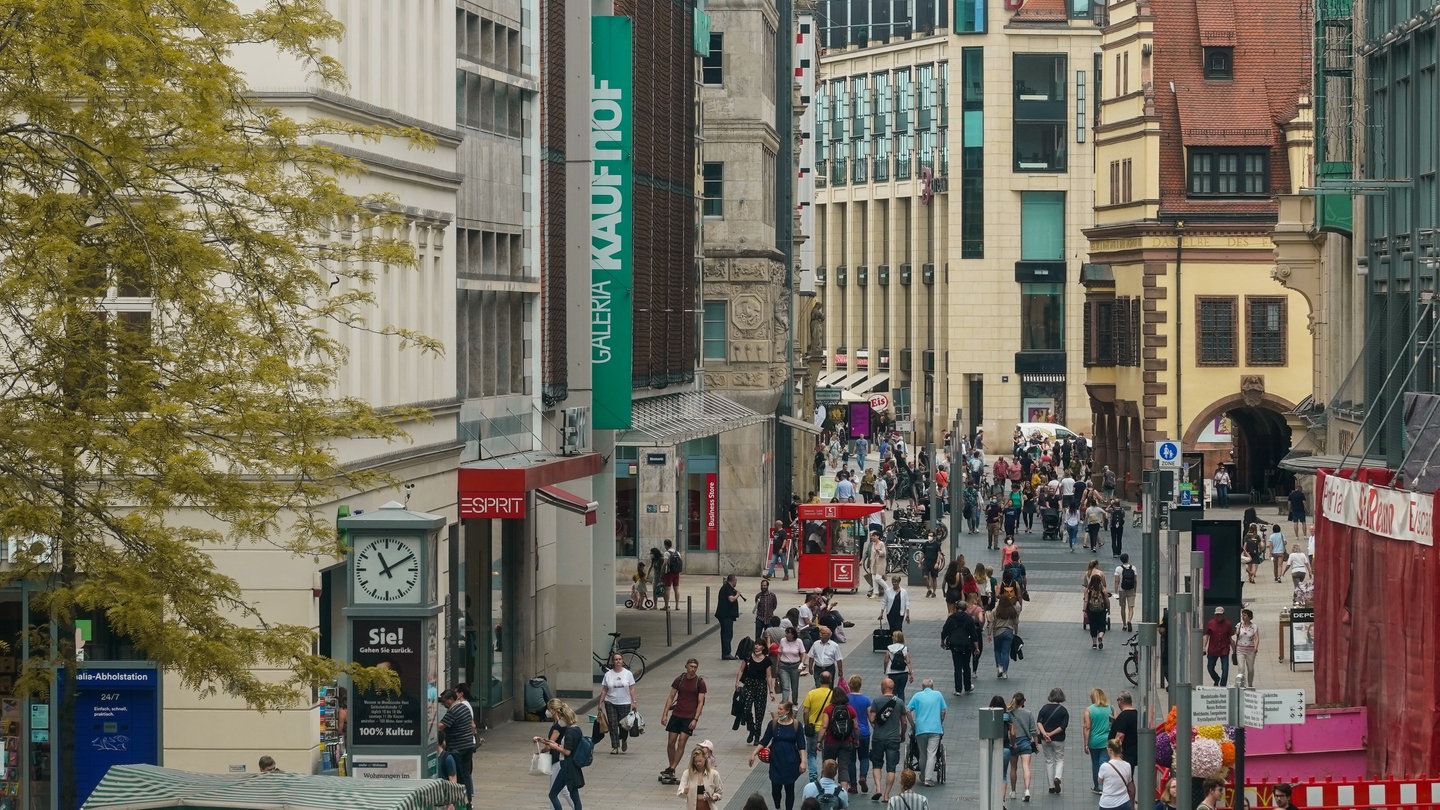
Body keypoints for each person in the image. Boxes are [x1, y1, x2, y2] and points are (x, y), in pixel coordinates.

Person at [751, 700, 807, 810]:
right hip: (776, 760)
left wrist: (803, 761)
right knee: (775, 788)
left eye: (781, 709)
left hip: (791, 761)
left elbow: (801, 745)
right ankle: (777, 806)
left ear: (787, 711)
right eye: (778, 708)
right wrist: (753, 754)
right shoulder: (773, 724)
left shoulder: (796, 725)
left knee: (789, 788)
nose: (778, 711)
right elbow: (764, 741)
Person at [660, 658, 708, 785]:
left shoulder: (700, 682)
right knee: (671, 742)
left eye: (695, 667)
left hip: (689, 717)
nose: (693, 669)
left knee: (681, 742)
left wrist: (695, 719)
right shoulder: (679, 680)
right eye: (691, 666)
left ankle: (672, 768)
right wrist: (665, 714)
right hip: (677, 714)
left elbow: (700, 702)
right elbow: (671, 697)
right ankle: (671, 768)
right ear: (686, 666)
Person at [536, 698, 585, 810]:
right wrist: (544, 741)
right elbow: (565, 747)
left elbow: (567, 751)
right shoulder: (577, 729)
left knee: (554, 794)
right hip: (571, 766)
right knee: (573, 796)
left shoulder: (570, 732)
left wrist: (554, 747)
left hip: (567, 765)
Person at [868, 677, 909, 803]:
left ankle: (878, 789)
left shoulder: (876, 701)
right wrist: (902, 735)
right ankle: (886, 795)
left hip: (878, 738)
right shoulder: (900, 702)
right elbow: (904, 722)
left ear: (883, 687)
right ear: (892, 687)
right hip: (893, 739)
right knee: (891, 768)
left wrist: (876, 727)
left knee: (876, 764)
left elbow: (871, 718)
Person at [438, 688, 477, 806]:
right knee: (466, 773)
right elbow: (472, 725)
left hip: (458, 747)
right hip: (468, 745)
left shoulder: (453, 711)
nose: (444, 705)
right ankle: (468, 800)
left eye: (445, 702)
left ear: (451, 699)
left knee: (459, 775)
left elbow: (440, 726)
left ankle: (462, 801)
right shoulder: (464, 707)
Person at [906, 678, 947, 787]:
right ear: (932, 687)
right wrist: (940, 721)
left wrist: (913, 724)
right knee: (932, 754)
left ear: (922, 687)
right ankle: (928, 779)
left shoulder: (917, 696)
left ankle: (923, 776)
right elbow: (943, 711)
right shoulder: (938, 695)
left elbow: (908, 710)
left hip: (921, 729)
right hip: (935, 729)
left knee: (922, 754)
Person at [736, 639, 777, 745]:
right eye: (756, 644)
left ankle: (757, 735)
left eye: (759, 645)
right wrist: (737, 682)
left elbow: (768, 676)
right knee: (746, 708)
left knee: (759, 711)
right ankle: (752, 728)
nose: (756, 646)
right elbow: (741, 670)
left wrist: (771, 691)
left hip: (761, 686)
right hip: (749, 684)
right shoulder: (748, 657)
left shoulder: (767, 660)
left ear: (763, 647)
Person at [819, 688, 860, 791]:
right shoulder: (850, 709)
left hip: (830, 742)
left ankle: (824, 789)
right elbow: (855, 726)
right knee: (843, 767)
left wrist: (819, 740)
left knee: (827, 765)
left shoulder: (828, 709)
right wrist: (856, 739)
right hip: (846, 741)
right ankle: (844, 792)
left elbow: (824, 726)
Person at [802, 672, 840, 781]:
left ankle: (813, 776)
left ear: (819, 680)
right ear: (831, 680)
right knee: (826, 755)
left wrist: (807, 723)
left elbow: (805, 711)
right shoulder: (833, 695)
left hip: (813, 728)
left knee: (811, 754)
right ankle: (825, 775)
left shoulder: (811, 693)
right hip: (827, 729)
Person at [601, 651, 638, 754]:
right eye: (616, 659)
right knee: (613, 725)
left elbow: (632, 689)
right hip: (610, 702)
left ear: (622, 661)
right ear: (613, 662)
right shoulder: (608, 674)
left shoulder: (628, 674)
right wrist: (600, 702)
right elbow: (604, 689)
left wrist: (634, 702)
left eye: (619, 659)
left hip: (624, 703)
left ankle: (624, 739)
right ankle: (615, 746)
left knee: (623, 726)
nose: (618, 661)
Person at [941, 601, 981, 696]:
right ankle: (967, 686)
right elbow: (974, 634)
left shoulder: (951, 618)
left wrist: (942, 641)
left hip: (954, 645)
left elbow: (944, 630)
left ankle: (958, 689)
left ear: (956, 607)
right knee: (966, 666)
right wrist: (976, 647)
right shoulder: (969, 619)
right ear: (965, 608)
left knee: (957, 667)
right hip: (966, 644)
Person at [1006, 692, 1038, 801]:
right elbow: (1034, 731)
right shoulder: (1028, 713)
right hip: (1025, 742)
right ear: (1023, 701)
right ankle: (1027, 790)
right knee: (1026, 767)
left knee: (1013, 768)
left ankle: (1013, 791)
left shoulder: (1009, 713)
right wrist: (1036, 745)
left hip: (1013, 742)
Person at [1036, 687, 1069, 794]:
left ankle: (1051, 786)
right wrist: (1052, 734)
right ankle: (1057, 777)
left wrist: (1045, 734)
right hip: (1059, 739)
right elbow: (1063, 727)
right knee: (1059, 759)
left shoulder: (1044, 708)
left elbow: (1039, 722)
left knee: (1049, 761)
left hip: (1045, 740)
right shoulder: (1063, 711)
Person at [845, 675, 875, 795]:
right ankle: (863, 776)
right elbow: (871, 718)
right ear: (860, 685)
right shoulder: (866, 699)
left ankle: (853, 785)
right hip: (864, 733)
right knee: (864, 757)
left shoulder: (846, 699)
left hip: (850, 733)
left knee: (851, 760)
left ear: (849, 685)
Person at [1083, 688, 1113, 794]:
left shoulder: (1089, 710)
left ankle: (1097, 786)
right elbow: (1115, 723)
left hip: (1094, 741)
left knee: (1095, 763)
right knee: (1104, 762)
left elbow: (1087, 727)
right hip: (1106, 740)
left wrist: (1085, 744)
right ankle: (1104, 785)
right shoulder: (1111, 708)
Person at [678, 744, 724, 810]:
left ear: (705, 759)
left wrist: (712, 797)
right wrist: (684, 791)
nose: (698, 764)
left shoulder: (714, 774)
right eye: (695, 762)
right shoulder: (687, 773)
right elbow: (679, 792)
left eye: (700, 761)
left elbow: (719, 792)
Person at [988, 587, 1022, 678]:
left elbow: (991, 622)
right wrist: (1016, 633)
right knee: (1006, 652)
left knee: (997, 650)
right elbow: (1016, 623)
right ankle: (1005, 672)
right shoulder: (1012, 610)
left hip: (998, 632)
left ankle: (999, 666)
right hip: (1009, 632)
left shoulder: (996, 610)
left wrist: (989, 634)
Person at [1096, 738, 1134, 810]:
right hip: (1124, 802)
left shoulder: (1104, 766)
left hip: (1108, 803)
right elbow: (1129, 783)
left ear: (1110, 750)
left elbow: (1100, 782)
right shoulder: (1127, 765)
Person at [1203, 607, 1234, 686]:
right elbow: (1206, 635)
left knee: (1225, 668)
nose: (1219, 616)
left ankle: (1223, 685)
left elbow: (1230, 638)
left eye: (1220, 615)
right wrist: (1204, 646)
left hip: (1224, 649)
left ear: (1223, 615)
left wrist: (1234, 650)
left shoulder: (1228, 624)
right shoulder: (1211, 623)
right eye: (1217, 615)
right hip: (1213, 649)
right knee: (1210, 668)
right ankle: (1216, 678)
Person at [1108, 691, 1138, 770]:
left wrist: (1115, 752)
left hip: (1125, 753)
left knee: (1125, 778)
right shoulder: (1136, 714)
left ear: (1120, 700)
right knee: (1128, 778)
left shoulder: (1124, 716)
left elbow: (1120, 736)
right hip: (1134, 751)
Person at [883, 629, 915, 702]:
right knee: (901, 692)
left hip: (892, 673)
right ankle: (901, 708)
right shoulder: (905, 648)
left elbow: (886, 660)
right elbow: (908, 661)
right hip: (903, 672)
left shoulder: (889, 648)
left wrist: (885, 670)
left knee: (893, 692)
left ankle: (893, 707)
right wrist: (911, 673)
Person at [776, 626, 806, 703]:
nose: (785, 635)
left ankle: (795, 703)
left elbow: (803, 653)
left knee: (794, 687)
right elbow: (779, 653)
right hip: (784, 666)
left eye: (787, 633)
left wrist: (801, 664)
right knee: (785, 687)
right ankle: (785, 703)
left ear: (792, 634)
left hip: (795, 666)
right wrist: (777, 665)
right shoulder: (783, 640)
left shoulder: (798, 641)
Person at [1233, 608, 1260, 687]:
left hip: (1250, 650)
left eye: (1244, 615)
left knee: (1250, 669)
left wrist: (1256, 647)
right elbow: (1236, 635)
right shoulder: (1239, 625)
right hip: (1240, 650)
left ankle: (1250, 684)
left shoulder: (1254, 626)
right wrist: (1237, 633)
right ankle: (1241, 684)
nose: (1243, 617)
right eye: (1242, 615)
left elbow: (1257, 637)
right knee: (1241, 668)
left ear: (1249, 617)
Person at [717, 574, 742, 660]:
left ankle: (726, 652)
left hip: (726, 615)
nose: (736, 583)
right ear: (733, 580)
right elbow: (731, 599)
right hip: (725, 615)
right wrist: (737, 595)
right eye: (736, 581)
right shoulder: (727, 588)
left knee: (727, 634)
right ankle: (726, 653)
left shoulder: (727, 588)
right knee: (727, 634)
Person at [1112, 553, 1138, 633]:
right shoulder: (1133, 568)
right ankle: (1129, 620)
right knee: (1131, 607)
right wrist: (1135, 590)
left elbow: (1116, 581)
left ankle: (1124, 625)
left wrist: (1116, 592)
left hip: (1122, 590)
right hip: (1131, 589)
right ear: (1128, 559)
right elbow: (1135, 580)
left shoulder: (1118, 568)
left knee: (1122, 607)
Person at [1084, 574, 1110, 650]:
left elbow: (1086, 600)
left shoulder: (1088, 590)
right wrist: (1109, 608)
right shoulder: (1103, 590)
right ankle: (1100, 637)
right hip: (1101, 610)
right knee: (1102, 626)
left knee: (1093, 626)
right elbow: (1107, 600)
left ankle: (1094, 644)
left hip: (1091, 610)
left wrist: (1084, 610)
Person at [755, 578, 779, 643]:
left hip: (769, 619)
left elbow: (774, 605)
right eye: (762, 585)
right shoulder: (758, 596)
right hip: (760, 619)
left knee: (768, 637)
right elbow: (757, 606)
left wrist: (770, 612)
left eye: (765, 585)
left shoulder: (772, 595)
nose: (763, 587)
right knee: (757, 636)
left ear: (767, 586)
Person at [866, 532, 888, 598]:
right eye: (872, 536)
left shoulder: (881, 544)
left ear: (878, 536)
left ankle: (888, 589)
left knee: (878, 578)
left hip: (880, 563)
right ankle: (876, 593)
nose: (872, 537)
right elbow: (871, 554)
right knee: (874, 578)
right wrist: (870, 563)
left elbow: (884, 553)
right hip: (873, 563)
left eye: (874, 536)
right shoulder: (873, 544)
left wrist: (878, 551)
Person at [664, 538, 683, 609]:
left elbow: (665, 563)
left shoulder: (667, 553)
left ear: (665, 545)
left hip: (669, 573)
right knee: (676, 589)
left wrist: (662, 572)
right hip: (676, 572)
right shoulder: (677, 553)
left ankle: (666, 605)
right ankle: (677, 606)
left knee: (667, 589)